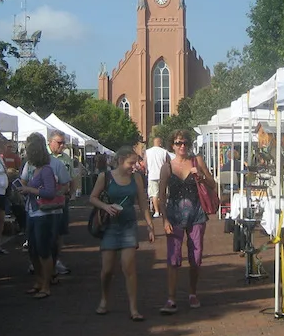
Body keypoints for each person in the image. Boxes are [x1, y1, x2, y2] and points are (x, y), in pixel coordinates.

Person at [89, 146, 155, 320]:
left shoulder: (136, 178)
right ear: (120, 160)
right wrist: (106, 207)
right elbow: (92, 197)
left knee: (129, 267)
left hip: (128, 225)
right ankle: (104, 298)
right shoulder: (106, 177)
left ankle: (133, 308)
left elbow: (142, 202)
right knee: (107, 270)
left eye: (135, 163)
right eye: (130, 163)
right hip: (110, 226)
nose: (133, 166)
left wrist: (149, 225)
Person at [156, 129, 217, 314]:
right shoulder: (167, 167)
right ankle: (171, 298)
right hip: (174, 215)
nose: (182, 146)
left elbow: (212, 184)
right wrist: (164, 219)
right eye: (177, 143)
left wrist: (200, 176)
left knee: (196, 257)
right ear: (172, 146)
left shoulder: (196, 161)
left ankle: (192, 293)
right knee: (173, 257)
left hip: (196, 214)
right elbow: (161, 195)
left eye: (184, 143)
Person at [19, 133, 62, 298]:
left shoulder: (45, 170)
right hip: (33, 212)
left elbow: (50, 192)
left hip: (42, 214)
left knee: (43, 250)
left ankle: (45, 285)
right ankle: (39, 281)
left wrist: (29, 189)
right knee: (33, 249)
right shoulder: (36, 169)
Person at [48, 130, 76, 276]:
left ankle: (56, 260)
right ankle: (40, 262)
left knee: (59, 232)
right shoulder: (43, 157)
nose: (62, 145)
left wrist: (69, 194)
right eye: (59, 142)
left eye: (63, 142)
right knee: (44, 232)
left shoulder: (66, 158)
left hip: (61, 201)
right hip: (44, 202)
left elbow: (72, 177)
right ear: (50, 142)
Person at [144, 136, 171, 218]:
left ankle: (156, 211)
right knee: (163, 194)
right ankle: (163, 211)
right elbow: (168, 163)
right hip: (163, 175)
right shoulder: (164, 151)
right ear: (160, 143)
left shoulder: (148, 152)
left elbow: (145, 162)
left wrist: (147, 170)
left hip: (152, 175)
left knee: (154, 194)